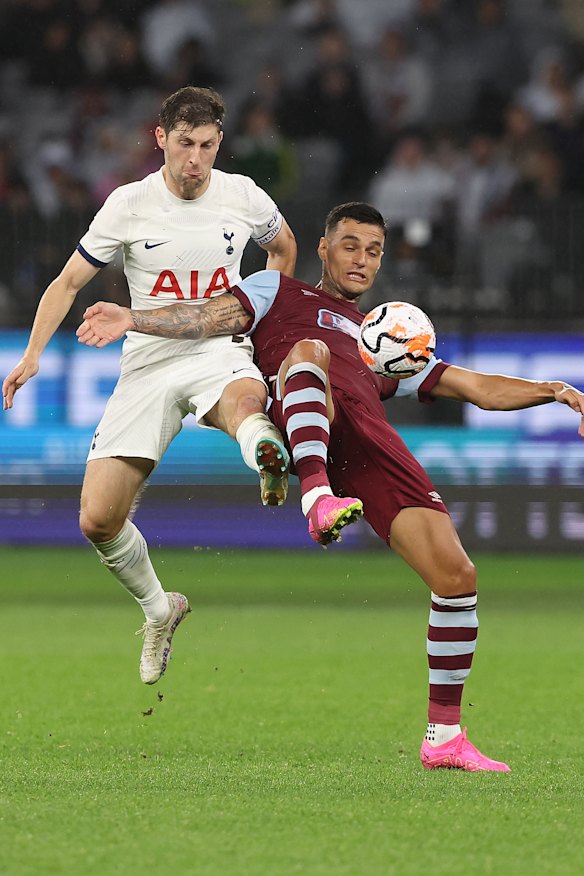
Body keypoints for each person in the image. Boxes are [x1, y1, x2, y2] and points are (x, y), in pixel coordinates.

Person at [75, 201, 584, 772]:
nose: (361, 260)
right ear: (323, 248)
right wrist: (134, 318)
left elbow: (475, 387)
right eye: (350, 245)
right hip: (303, 421)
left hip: (370, 446)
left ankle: (444, 737)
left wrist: (555, 389)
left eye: (373, 251)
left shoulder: (380, 338)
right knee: (308, 353)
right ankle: (315, 495)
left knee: (457, 576)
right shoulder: (276, 291)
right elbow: (207, 317)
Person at [2, 86, 297, 687]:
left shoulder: (242, 195)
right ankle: (161, 609)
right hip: (149, 361)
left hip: (219, 346)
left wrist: (258, 315)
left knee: (242, 401)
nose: (195, 160)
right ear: (161, 138)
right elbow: (67, 282)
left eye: (207, 146)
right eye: (184, 144)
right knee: (97, 519)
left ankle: (266, 449)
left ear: (220, 144)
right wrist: (32, 354)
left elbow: (284, 249)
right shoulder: (128, 205)